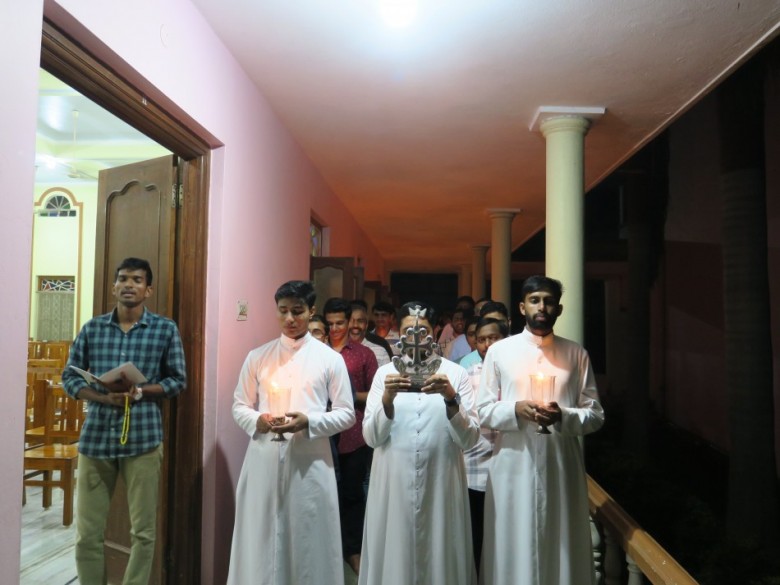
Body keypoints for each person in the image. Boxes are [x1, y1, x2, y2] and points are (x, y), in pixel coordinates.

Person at [61, 257, 186, 585]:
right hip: (96, 440)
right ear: (114, 286)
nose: (129, 284)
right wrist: (102, 397)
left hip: (143, 440)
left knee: (143, 533)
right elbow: (69, 377)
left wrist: (141, 391)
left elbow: (177, 380)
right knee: (87, 533)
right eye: (123, 279)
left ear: (148, 289)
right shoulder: (92, 328)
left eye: (137, 280)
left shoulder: (165, 329)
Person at [477, 276, 605, 585]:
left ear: (559, 309)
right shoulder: (500, 351)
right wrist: (515, 409)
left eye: (548, 301)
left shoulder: (575, 354)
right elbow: (482, 410)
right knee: (511, 541)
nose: (542, 307)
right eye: (535, 300)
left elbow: (595, 415)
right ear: (522, 307)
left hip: (561, 465)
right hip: (513, 464)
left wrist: (563, 415)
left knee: (561, 542)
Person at [227, 281, 356, 585]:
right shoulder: (258, 356)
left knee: (307, 534)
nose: (289, 319)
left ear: (311, 311)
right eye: (283, 311)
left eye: (297, 311)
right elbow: (239, 405)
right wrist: (258, 420)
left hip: (309, 461)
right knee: (261, 532)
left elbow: (346, 414)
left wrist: (308, 422)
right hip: (264, 459)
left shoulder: (329, 359)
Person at [360, 301, 479, 585]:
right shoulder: (384, 375)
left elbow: (469, 438)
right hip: (393, 480)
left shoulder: (455, 374)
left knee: (441, 549)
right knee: (394, 550)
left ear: (435, 330)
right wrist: (387, 400)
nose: (415, 337)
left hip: (441, 480)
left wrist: (451, 398)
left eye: (422, 330)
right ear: (399, 333)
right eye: (408, 331)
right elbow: (371, 437)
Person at [323, 297, 378, 576]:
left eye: (340, 323)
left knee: (353, 494)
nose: (335, 329)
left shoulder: (363, 354)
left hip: (353, 433)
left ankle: (353, 550)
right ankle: (328, 549)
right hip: (321, 432)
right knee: (324, 493)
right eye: (330, 324)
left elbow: (376, 393)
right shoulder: (317, 352)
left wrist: (348, 396)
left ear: (349, 322)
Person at [461, 317, 509, 574]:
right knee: (476, 535)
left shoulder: (516, 373)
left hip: (508, 462)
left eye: (493, 338)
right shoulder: (467, 374)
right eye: (481, 339)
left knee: (505, 534)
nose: (487, 344)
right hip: (474, 466)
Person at [460, 301, 510, 370]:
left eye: (499, 322)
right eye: (488, 322)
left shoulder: (520, 351)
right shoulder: (468, 362)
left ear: (509, 322)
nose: (494, 327)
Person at [349, 299, 393, 366]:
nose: (355, 325)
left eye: (360, 321)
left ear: (366, 325)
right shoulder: (336, 349)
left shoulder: (380, 351)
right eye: (350, 321)